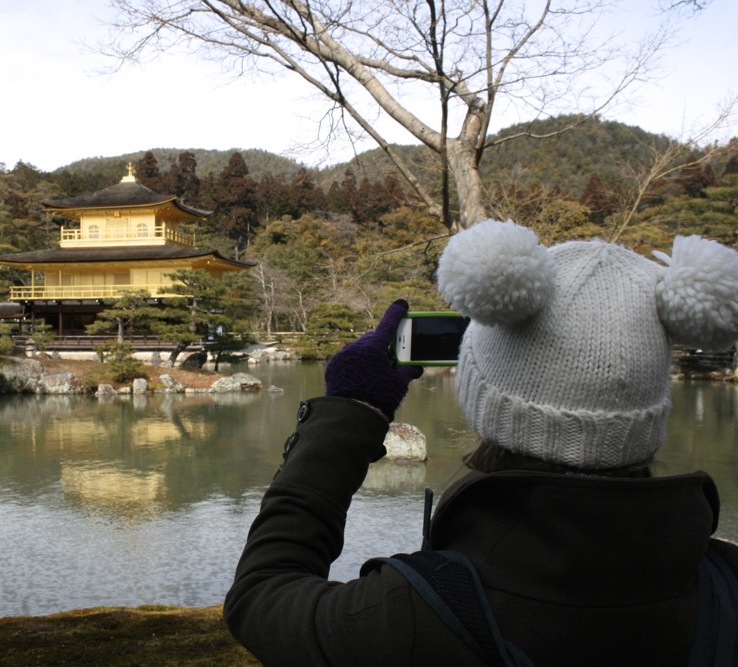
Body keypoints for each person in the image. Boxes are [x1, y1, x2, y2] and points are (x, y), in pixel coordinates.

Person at [223, 219, 738, 666]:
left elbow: (262, 595)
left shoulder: (411, 617)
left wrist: (351, 414)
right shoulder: (725, 589)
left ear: (483, 396)